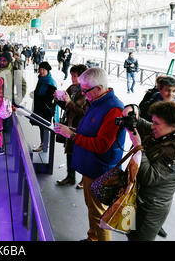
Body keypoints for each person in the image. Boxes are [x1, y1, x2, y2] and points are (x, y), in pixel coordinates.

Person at [53, 67, 125, 241]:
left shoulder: (113, 109)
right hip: (90, 165)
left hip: (100, 168)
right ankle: (93, 237)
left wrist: (73, 135)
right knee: (92, 208)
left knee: (99, 214)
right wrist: (72, 130)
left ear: (98, 89)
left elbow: (101, 145)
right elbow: (90, 131)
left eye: (85, 91)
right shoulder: (98, 102)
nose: (83, 94)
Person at [122, 101, 175, 241]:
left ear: (174, 125)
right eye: (153, 121)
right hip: (133, 199)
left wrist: (138, 146)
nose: (152, 126)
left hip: (148, 209)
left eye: (156, 123)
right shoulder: (169, 134)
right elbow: (143, 124)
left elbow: (149, 177)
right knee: (128, 233)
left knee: (139, 238)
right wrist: (133, 110)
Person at [54, 64, 88, 189]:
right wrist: (59, 99)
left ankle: (84, 180)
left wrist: (68, 101)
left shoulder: (86, 91)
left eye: (75, 75)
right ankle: (70, 177)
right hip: (70, 124)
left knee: (81, 153)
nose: (72, 78)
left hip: (80, 126)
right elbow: (68, 108)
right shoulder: (72, 88)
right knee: (69, 152)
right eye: (72, 75)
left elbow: (83, 111)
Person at [31, 62, 57, 153]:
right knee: (41, 127)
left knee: (44, 127)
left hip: (46, 109)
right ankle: (43, 144)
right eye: (40, 69)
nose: (41, 71)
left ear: (47, 70)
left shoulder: (51, 82)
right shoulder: (41, 79)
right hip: (39, 107)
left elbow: (49, 98)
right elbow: (37, 91)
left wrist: (37, 96)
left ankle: (44, 145)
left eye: (43, 70)